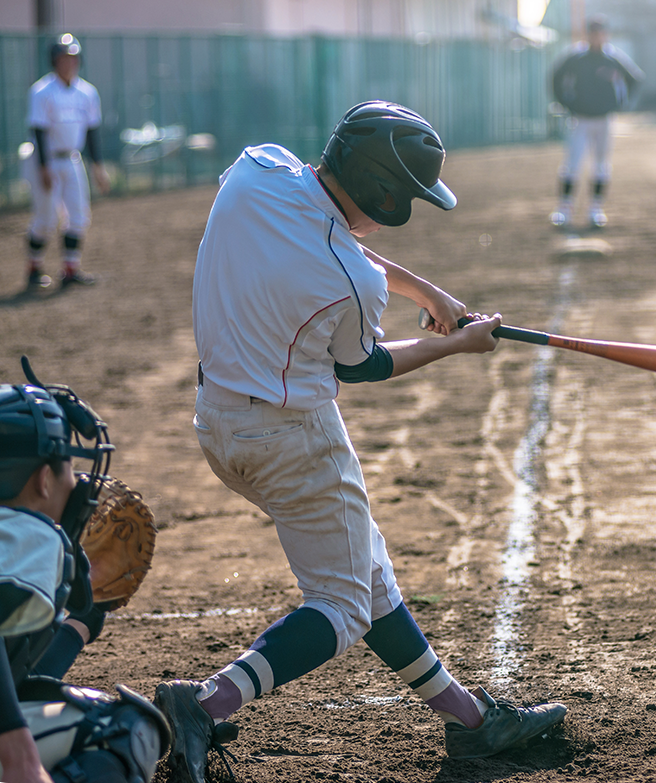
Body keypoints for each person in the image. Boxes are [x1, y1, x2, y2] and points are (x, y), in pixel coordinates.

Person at [155, 100, 567, 783]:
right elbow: (364, 364)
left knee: (365, 573)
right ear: (381, 190)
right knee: (342, 606)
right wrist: (460, 343)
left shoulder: (259, 167)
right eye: (404, 193)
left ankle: (470, 721)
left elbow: (321, 227)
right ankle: (204, 702)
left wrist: (422, 288)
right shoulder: (353, 282)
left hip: (216, 422)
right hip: (294, 442)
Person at [0, 364, 170, 783]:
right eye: (67, 466)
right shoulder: (26, 530)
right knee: (121, 729)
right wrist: (19, 758)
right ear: (44, 479)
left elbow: (2, 679)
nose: (78, 480)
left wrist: (79, 621)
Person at [24, 33, 110, 292]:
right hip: (46, 159)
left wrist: (97, 166)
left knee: (79, 215)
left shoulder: (87, 92)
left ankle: (70, 270)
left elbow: (93, 131)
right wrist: (43, 168)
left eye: (73, 58)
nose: (69, 63)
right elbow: (38, 130)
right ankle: (33, 268)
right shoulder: (42, 91)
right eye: (64, 58)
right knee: (47, 218)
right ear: (54, 61)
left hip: (73, 159)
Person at [549, 15, 643, 229]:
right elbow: (556, 77)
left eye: (600, 33)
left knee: (601, 165)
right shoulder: (577, 57)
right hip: (580, 119)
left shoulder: (612, 58)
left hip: (604, 119)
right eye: (593, 33)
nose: (597, 37)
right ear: (587, 35)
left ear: (605, 35)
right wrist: (566, 103)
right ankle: (564, 209)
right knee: (572, 165)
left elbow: (635, 79)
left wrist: (620, 104)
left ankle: (595, 209)